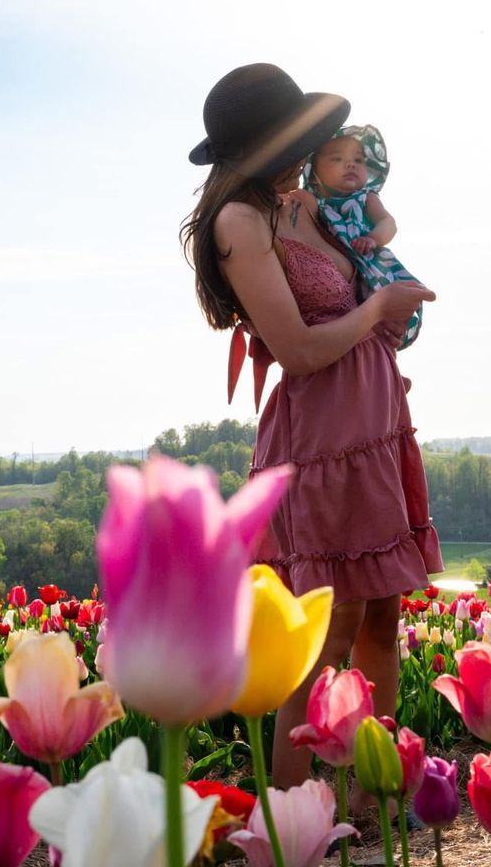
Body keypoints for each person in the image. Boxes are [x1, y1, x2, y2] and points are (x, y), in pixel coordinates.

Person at [181, 63, 443, 792]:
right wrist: (377, 311)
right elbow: (296, 351)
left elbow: (369, 243)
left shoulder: (305, 204)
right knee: (321, 637)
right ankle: (295, 810)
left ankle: (373, 795)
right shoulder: (241, 221)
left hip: (376, 425)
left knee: (381, 626)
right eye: (294, 135)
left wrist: (383, 338)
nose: (309, 147)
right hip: (321, 442)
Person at [300, 124, 425, 349]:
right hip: (336, 274)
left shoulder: (365, 198)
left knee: (386, 310)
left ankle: (388, 356)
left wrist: (373, 239)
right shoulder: (312, 206)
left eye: (358, 160)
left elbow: (389, 223)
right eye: (336, 159)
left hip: (369, 262)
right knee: (351, 312)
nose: (350, 164)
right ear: (314, 171)